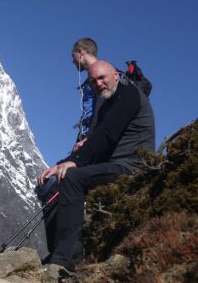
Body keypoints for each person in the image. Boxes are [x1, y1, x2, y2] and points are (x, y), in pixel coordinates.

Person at [36, 60, 155, 271]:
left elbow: (107, 136)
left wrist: (75, 162)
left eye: (102, 78)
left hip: (133, 166)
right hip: (111, 165)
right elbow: (95, 141)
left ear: (115, 76)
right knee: (51, 184)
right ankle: (58, 250)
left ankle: (67, 260)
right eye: (93, 81)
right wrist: (61, 165)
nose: (98, 83)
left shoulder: (129, 95)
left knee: (72, 178)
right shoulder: (106, 104)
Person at [71, 38, 99, 151]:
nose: (72, 61)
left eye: (72, 55)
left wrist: (88, 138)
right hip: (88, 135)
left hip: (91, 138)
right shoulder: (91, 79)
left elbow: (101, 108)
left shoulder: (99, 75)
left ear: (79, 52)